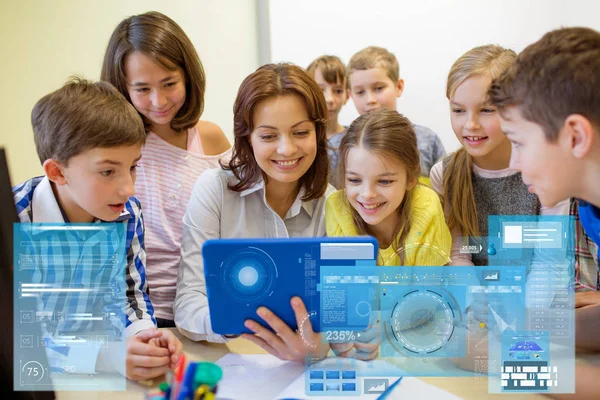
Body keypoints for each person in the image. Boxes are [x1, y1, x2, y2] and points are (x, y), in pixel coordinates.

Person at [12, 77, 182, 381]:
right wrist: (103, 356)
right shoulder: (14, 218)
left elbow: (130, 294)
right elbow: (13, 336)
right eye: (108, 171)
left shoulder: (127, 213)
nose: (128, 188)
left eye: (133, 166)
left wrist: (144, 336)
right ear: (57, 171)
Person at [174, 63, 335, 362]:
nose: (286, 150)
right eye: (269, 136)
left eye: (300, 132)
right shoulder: (215, 189)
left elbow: (344, 309)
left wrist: (320, 344)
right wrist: (238, 326)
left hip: (308, 365)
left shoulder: (332, 204)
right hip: (234, 358)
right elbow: (188, 303)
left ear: (318, 132)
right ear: (247, 137)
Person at [488, 27, 600, 400]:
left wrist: (502, 362)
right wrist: (525, 327)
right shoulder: (589, 210)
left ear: (575, 137)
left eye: (518, 142)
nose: (515, 163)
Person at [101, 11, 231, 327]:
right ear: (122, 86)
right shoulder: (111, 148)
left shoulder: (209, 137)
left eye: (169, 83)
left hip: (204, 311)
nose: (159, 100)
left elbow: (236, 221)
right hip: (132, 314)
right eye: (142, 89)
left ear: (188, 76)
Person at [347, 46, 446, 184]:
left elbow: (445, 189)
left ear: (398, 87)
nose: (370, 99)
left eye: (379, 88)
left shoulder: (428, 140)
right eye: (360, 92)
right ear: (350, 95)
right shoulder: (344, 144)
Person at [306, 55, 349, 188]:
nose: (329, 99)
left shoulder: (353, 139)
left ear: (347, 95)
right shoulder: (300, 140)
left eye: (338, 91)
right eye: (321, 90)